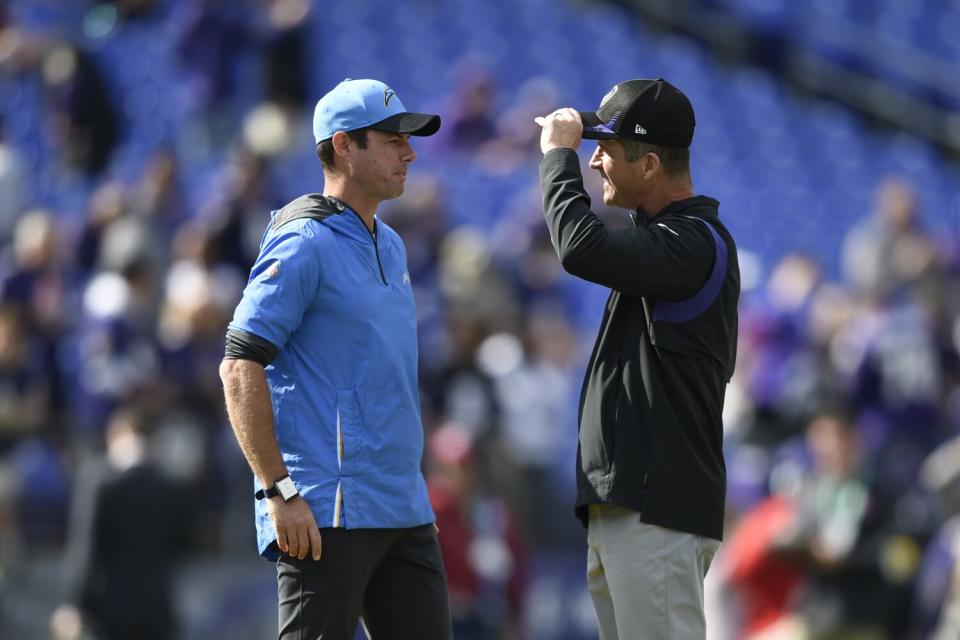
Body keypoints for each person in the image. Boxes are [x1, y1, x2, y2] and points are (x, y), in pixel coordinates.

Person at [219, 78, 452, 640]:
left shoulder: (391, 243)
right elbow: (238, 363)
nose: (410, 152)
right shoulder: (303, 242)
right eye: (393, 138)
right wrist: (277, 488)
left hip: (402, 507)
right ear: (344, 145)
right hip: (325, 511)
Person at [534, 78, 740, 639]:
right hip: (631, 506)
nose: (594, 160)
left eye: (606, 149)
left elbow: (579, 246)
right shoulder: (667, 241)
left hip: (658, 508)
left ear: (649, 165)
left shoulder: (692, 241)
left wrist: (558, 157)